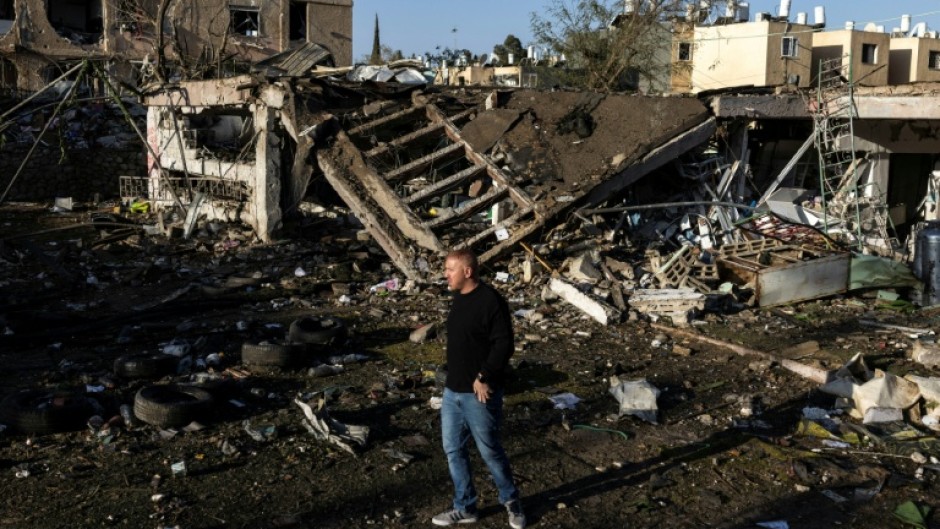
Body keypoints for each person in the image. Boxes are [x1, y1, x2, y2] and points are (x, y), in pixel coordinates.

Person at [432, 249, 526, 529]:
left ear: (467, 272)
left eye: (450, 269)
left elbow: (504, 344)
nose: (445, 275)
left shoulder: (491, 301)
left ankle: (512, 502)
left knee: (489, 452)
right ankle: (465, 507)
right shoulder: (458, 298)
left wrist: (484, 375)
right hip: (452, 392)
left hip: (479, 393)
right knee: (453, 450)